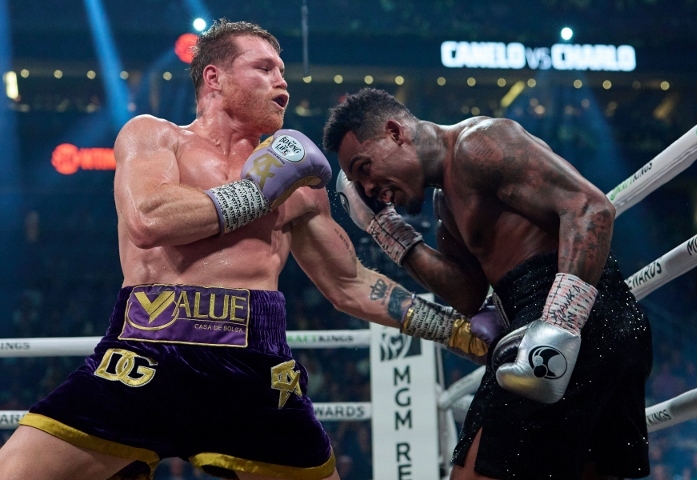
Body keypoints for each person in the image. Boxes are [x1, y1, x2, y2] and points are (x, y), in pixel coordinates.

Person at [0, 21, 504, 480]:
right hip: (144, 353)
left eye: (282, 71)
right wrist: (258, 192)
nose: (281, 82)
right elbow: (149, 219)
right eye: (264, 68)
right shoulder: (155, 136)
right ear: (214, 78)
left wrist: (454, 329)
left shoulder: (300, 182)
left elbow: (349, 283)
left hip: (256, 367)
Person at [324, 87, 653, 480]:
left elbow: (591, 208)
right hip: (579, 320)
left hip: (572, 312)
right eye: (358, 183)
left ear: (395, 132)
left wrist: (560, 321)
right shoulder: (445, 203)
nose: (367, 189)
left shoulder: (478, 144)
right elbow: (466, 293)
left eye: (364, 168)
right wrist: (389, 231)